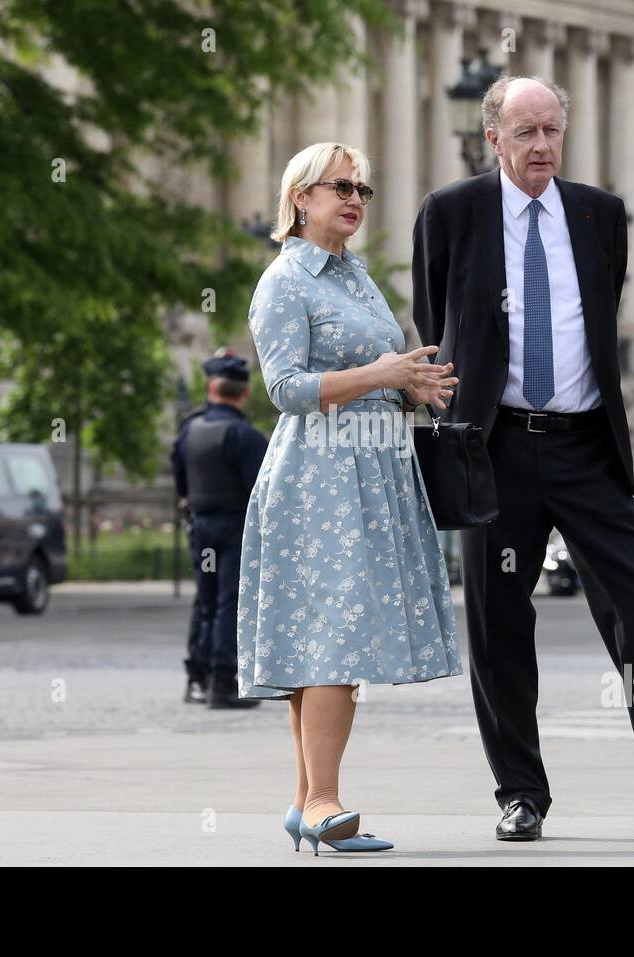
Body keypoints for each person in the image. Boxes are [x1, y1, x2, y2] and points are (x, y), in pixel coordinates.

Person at [412, 75, 634, 842]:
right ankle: (520, 792)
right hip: (494, 448)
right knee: (497, 623)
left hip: (586, 446)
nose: (542, 145)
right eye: (526, 132)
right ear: (492, 139)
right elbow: (431, 325)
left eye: (552, 131)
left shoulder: (600, 214)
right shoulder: (451, 214)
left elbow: (599, 317)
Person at [236, 141, 461, 855]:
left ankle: (306, 800)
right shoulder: (285, 281)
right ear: (300, 198)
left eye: (361, 186)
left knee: (330, 636)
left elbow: (377, 369)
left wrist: (407, 384)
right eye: (340, 186)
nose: (355, 198)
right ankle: (325, 799)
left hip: (371, 467)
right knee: (331, 636)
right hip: (318, 476)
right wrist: (379, 373)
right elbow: (286, 389)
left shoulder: (357, 277)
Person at [170, 351, 268, 709]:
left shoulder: (189, 431)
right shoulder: (245, 435)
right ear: (243, 393)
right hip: (235, 526)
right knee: (231, 603)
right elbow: (262, 488)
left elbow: (179, 481)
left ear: (211, 387)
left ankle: (196, 678)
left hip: (200, 525)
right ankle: (224, 682)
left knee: (206, 600)